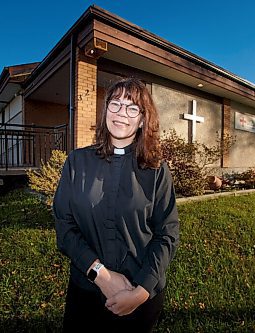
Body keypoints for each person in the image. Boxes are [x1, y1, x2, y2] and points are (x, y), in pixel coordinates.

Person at [53, 78, 180, 332]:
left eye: (132, 108)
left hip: (139, 293)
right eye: (115, 104)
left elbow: (167, 234)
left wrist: (142, 291)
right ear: (105, 111)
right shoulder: (77, 162)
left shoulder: (157, 171)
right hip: (86, 293)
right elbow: (64, 226)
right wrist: (101, 275)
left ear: (143, 120)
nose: (122, 113)